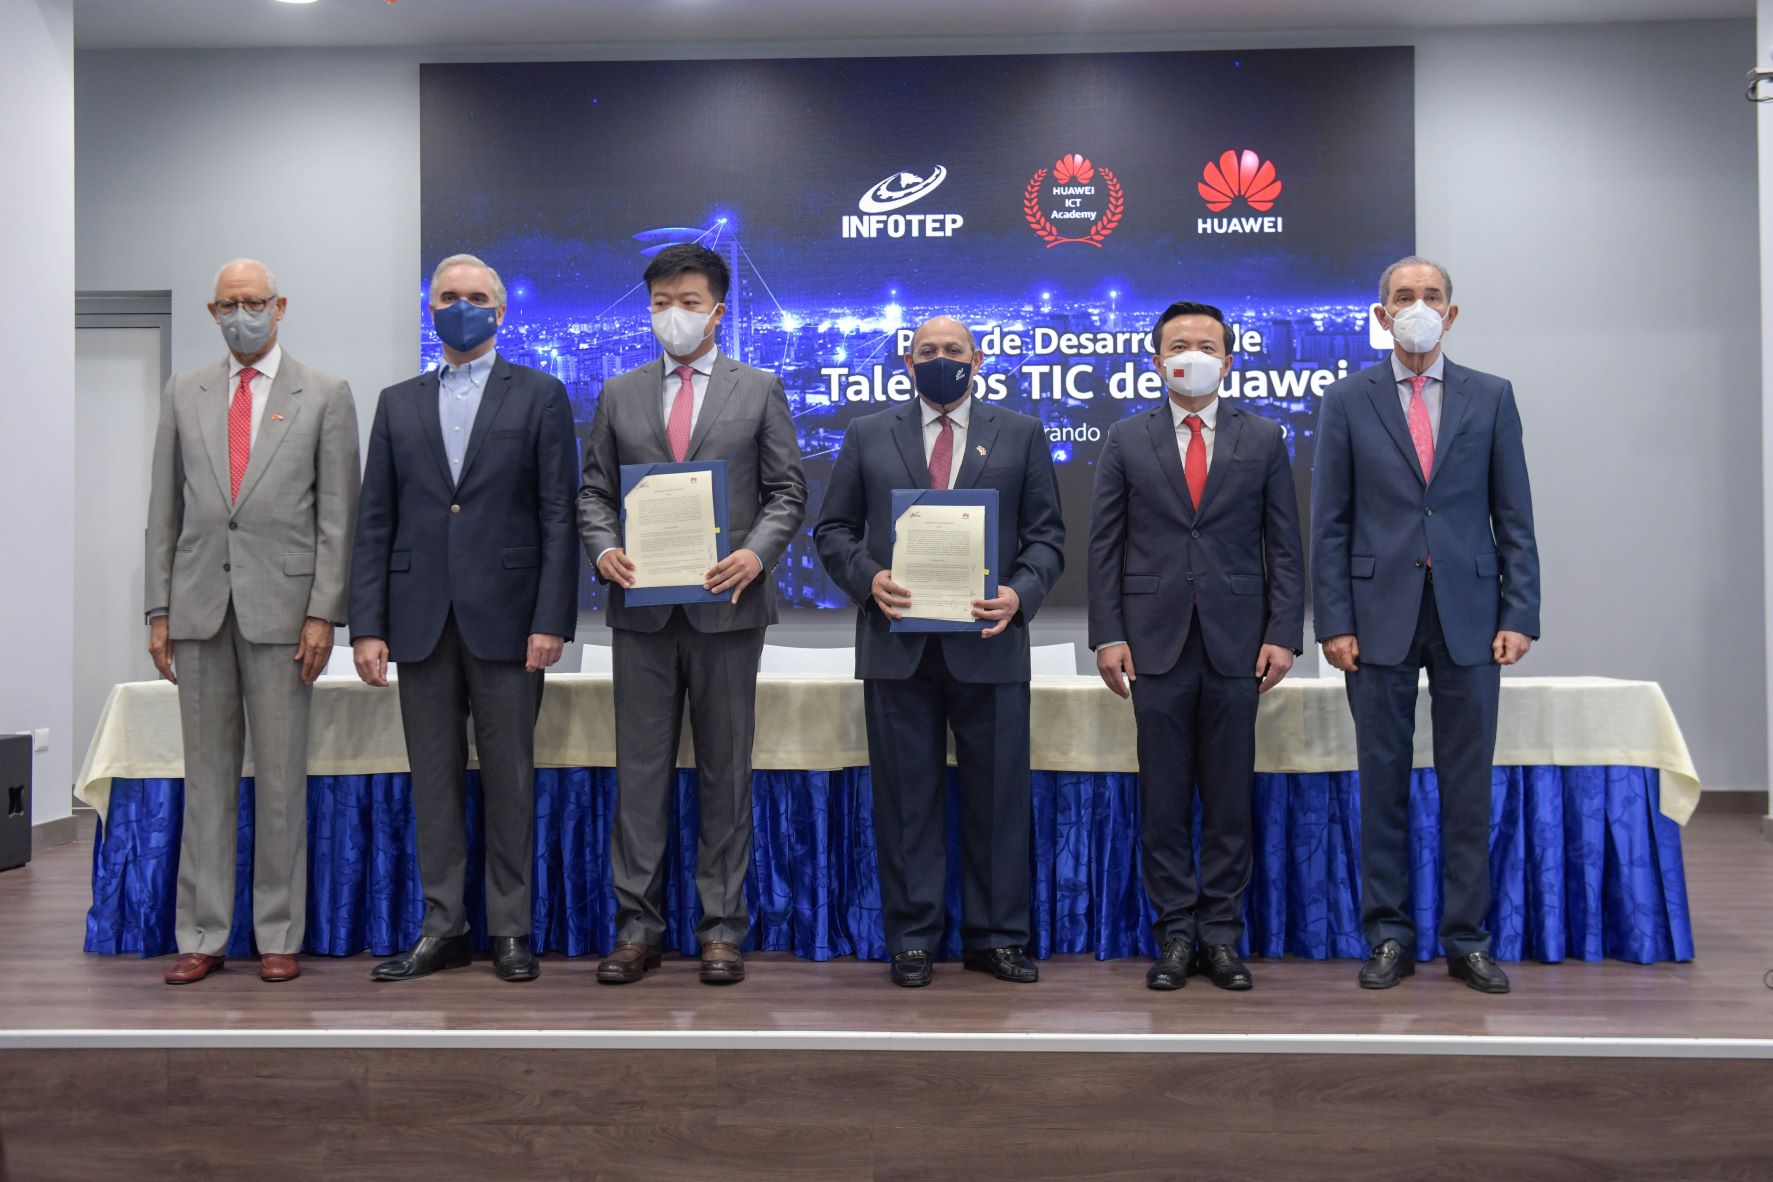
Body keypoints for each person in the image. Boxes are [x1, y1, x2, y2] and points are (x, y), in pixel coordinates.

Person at [577, 243, 807, 985]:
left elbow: (787, 492)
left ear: (717, 311)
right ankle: (636, 929)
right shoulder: (619, 393)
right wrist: (604, 549)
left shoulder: (759, 388)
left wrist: (755, 555)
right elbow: (593, 493)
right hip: (640, 611)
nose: (671, 314)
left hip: (727, 610)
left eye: (687, 302)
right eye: (659, 303)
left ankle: (721, 930)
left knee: (724, 775)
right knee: (639, 776)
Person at [1311, 256, 1540, 994]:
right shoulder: (1346, 399)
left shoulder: (1491, 395)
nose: (1418, 306)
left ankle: (1467, 939)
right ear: (1381, 315)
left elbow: (1514, 515)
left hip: (1471, 615)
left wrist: (1519, 613)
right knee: (1381, 783)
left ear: (1451, 313)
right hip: (1374, 616)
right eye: (1403, 297)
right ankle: (1388, 935)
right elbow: (1329, 522)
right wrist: (1333, 620)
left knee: (1466, 785)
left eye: (1431, 296)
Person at [815, 315, 1064, 988]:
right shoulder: (867, 432)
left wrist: (1019, 593)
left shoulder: (1020, 432)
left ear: (977, 360)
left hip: (990, 641)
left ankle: (997, 938)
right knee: (905, 801)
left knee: (999, 800)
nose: (940, 359)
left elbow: (1047, 537)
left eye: (953, 350)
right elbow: (833, 529)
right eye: (927, 351)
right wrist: (868, 579)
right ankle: (913, 939)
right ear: (907, 361)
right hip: (897, 645)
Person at [349, 253, 579, 983]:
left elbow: (558, 515)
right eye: (448, 296)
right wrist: (367, 625)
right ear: (431, 309)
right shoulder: (398, 402)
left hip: (510, 621)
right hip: (417, 621)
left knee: (510, 780)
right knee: (433, 781)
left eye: (476, 297)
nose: (461, 307)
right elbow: (374, 520)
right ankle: (442, 927)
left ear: (500, 312)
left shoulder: (539, 395)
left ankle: (510, 929)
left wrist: (552, 619)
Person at [146, 258, 360, 985]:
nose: (243, 314)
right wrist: (158, 609)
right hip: (198, 610)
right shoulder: (184, 391)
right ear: (212, 312)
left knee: (279, 780)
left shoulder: (325, 394)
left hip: (285, 614)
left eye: (254, 301)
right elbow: (163, 512)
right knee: (206, 781)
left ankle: (278, 932)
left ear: (280, 306)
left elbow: (338, 519)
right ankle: (202, 934)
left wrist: (324, 612)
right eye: (229, 304)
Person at [1087, 300, 1304, 992]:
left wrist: (1282, 634)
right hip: (1153, 643)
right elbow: (1104, 546)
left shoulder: (1263, 437)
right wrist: (1108, 634)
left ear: (1228, 360)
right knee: (1164, 801)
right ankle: (1175, 934)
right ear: (1156, 360)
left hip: (1238, 644)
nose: (1192, 355)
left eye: (1206, 345)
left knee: (1229, 800)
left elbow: (1284, 547)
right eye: (1178, 345)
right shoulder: (1126, 437)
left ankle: (1222, 936)